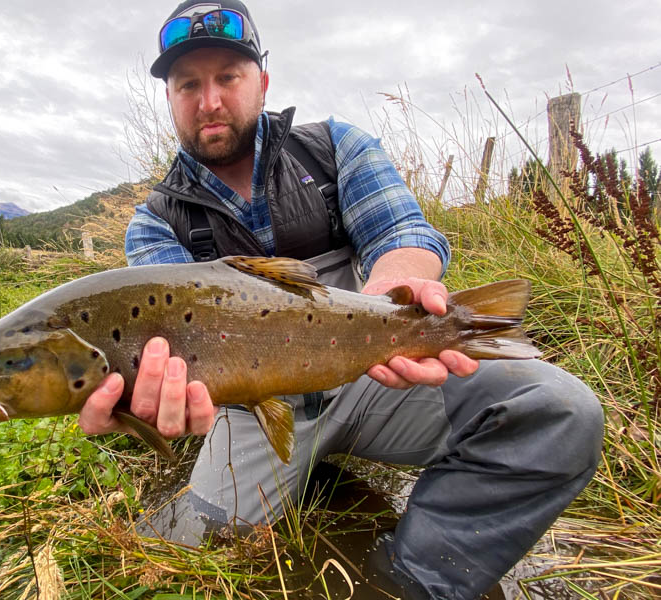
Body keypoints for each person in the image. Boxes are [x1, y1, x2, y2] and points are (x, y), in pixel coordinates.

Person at [78, 2, 604, 598]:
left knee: (562, 412)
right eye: (188, 85)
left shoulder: (333, 148)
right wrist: (139, 409)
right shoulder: (154, 223)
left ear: (262, 81)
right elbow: (162, 356)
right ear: (170, 99)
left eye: (228, 76)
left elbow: (400, 232)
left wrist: (390, 297)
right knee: (177, 558)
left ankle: (414, 578)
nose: (210, 101)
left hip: (375, 374)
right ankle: (306, 469)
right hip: (254, 414)